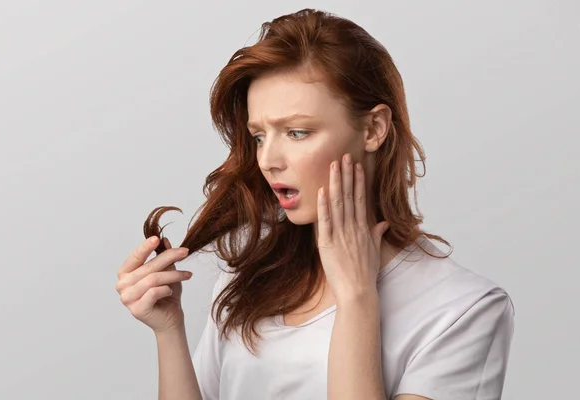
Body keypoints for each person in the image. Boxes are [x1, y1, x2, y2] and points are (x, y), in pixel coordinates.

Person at [116, 8, 515, 400]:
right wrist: (169, 331)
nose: (269, 159)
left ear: (374, 129)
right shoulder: (250, 276)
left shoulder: (462, 310)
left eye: (298, 132)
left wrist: (358, 296)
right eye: (259, 136)